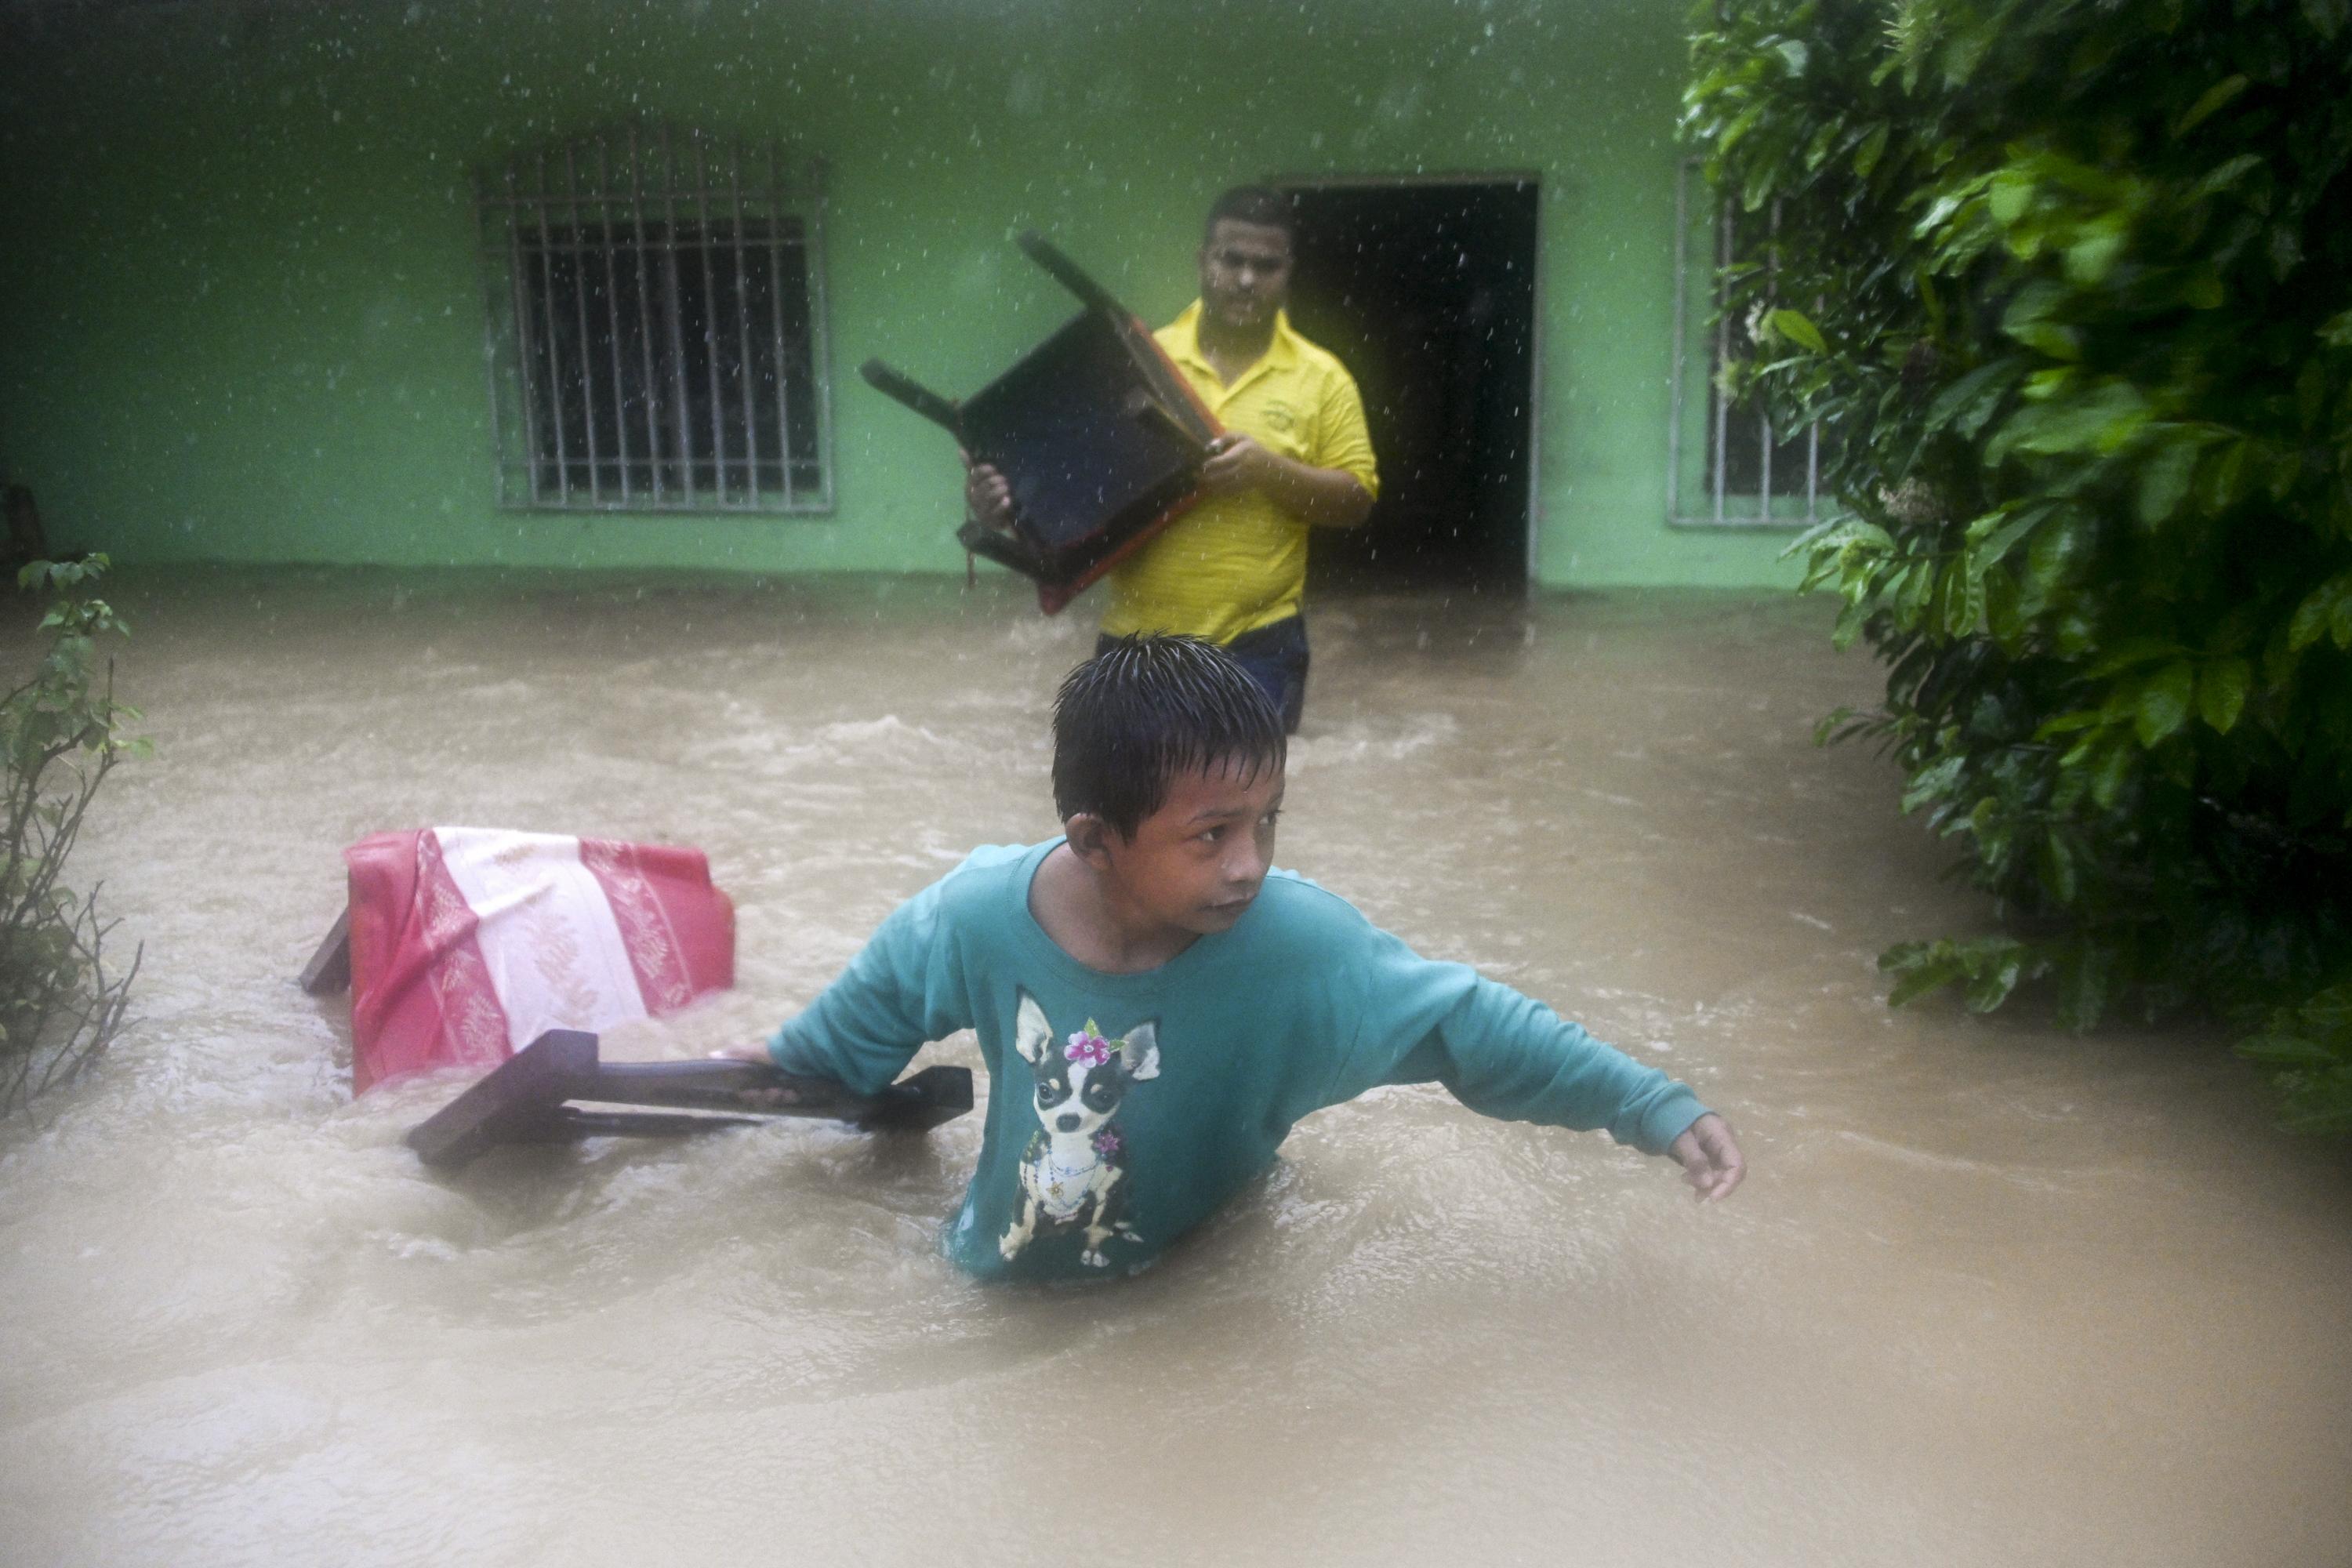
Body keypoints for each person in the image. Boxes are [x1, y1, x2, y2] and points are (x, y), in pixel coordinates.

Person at [728, 635, 1744, 1282]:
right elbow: (852, 1034)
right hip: (991, 1268)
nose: (1250, 865)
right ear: (1096, 841)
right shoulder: (977, 915)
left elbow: (1467, 1028)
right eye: (1212, 835)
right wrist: (771, 1077)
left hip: (1197, 1272)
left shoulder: (1298, 949)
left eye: (1267, 823)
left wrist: (1653, 1109)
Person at [965, 187, 1378, 733]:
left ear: (1288, 272)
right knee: (1127, 813)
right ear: (1203, 261)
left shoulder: (1324, 378)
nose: (1248, 279)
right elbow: (1070, 491)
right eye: (1232, 260)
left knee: (1240, 812)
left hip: (1258, 646)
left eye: (1266, 265)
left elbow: (1355, 501)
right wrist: (999, 509)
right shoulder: (1136, 361)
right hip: (1135, 646)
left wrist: (1265, 470)